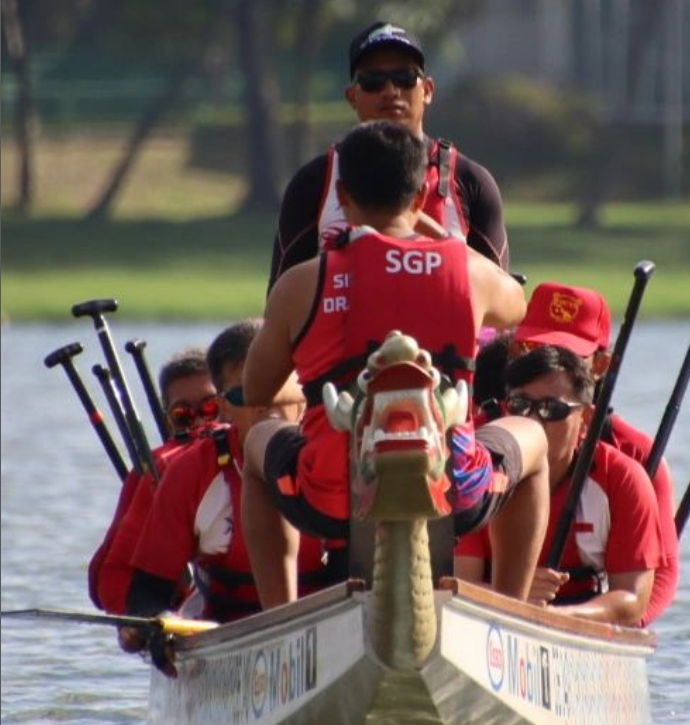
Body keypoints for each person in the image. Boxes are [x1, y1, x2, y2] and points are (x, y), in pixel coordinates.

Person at [242, 120, 549, 610]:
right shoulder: (470, 273)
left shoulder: (301, 282)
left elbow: (256, 388)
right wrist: (436, 236)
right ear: (425, 190)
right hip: (456, 487)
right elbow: (517, 305)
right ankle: (511, 611)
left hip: (330, 493)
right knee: (530, 440)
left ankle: (279, 614)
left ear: (341, 195)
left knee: (258, 438)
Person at [118, 320, 324, 653]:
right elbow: (147, 592)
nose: (264, 406)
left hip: (327, 619)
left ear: (303, 394)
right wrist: (153, 625)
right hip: (226, 630)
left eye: (278, 391)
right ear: (225, 406)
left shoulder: (336, 457)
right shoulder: (190, 472)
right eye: (246, 393)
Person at [269, 20, 509, 290]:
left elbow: (500, 308)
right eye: (372, 81)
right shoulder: (314, 181)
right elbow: (279, 301)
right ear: (351, 97)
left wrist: (444, 243)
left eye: (405, 78)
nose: (390, 91)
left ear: (427, 90)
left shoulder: (470, 180)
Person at [508, 282, 679, 626]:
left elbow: (658, 581)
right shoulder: (484, 439)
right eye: (531, 348)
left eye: (567, 355)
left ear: (601, 364)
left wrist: (599, 623)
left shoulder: (637, 459)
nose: (546, 363)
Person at [457, 346, 664, 627]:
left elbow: (632, 600)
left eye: (551, 409)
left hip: (575, 618)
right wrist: (512, 595)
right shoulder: (478, 474)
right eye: (519, 406)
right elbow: (458, 581)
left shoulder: (624, 479)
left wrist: (554, 617)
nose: (532, 421)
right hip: (489, 614)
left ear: (586, 419)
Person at [88, 347, 220, 614]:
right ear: (168, 421)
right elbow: (114, 576)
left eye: (210, 408)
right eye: (183, 415)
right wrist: (137, 621)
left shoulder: (258, 445)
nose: (199, 424)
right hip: (203, 606)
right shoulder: (162, 468)